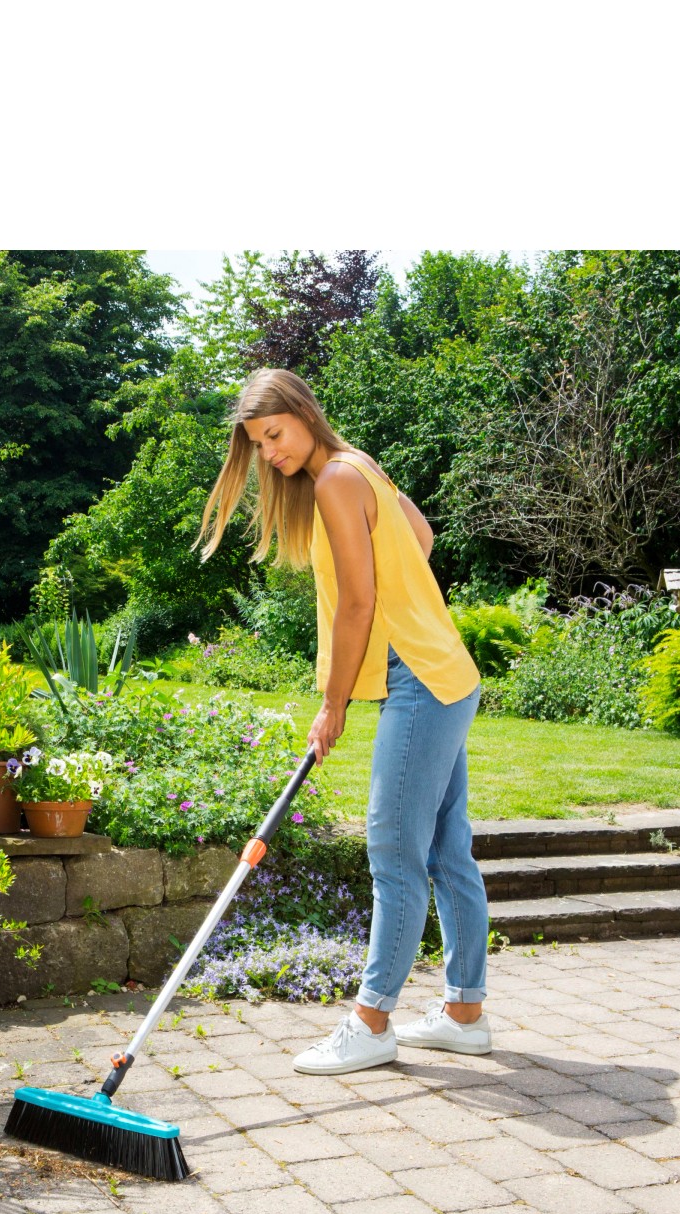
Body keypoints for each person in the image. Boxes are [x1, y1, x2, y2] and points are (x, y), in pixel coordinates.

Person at [197, 368, 490, 1074]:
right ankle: (462, 1014)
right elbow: (418, 537)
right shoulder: (360, 466)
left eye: (275, 435)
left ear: (302, 413)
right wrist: (399, 600)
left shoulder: (335, 481)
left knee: (393, 854)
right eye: (258, 445)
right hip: (445, 670)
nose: (270, 454)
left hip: (419, 680)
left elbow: (358, 603)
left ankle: (372, 1022)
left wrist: (332, 705)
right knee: (447, 853)